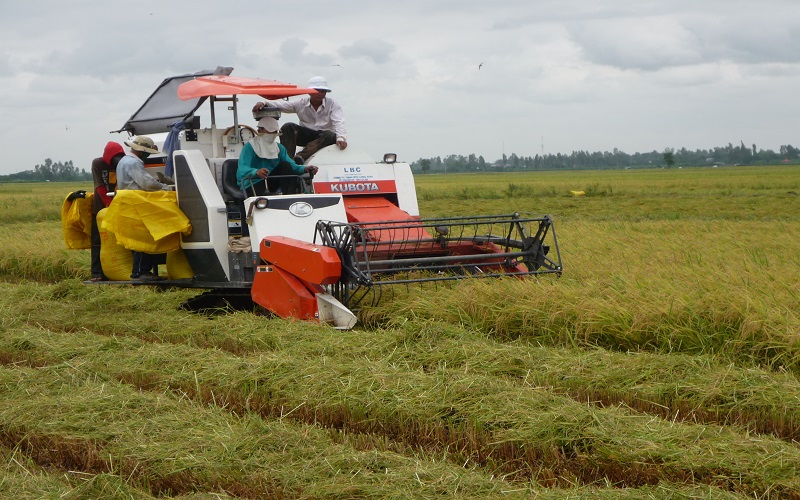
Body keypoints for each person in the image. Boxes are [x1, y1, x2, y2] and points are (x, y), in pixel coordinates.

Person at [252, 76, 347, 164]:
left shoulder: (333, 104)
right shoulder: (301, 103)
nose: (321, 93)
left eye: (323, 91)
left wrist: (341, 138)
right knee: (288, 127)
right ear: (309, 92)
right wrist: (262, 102)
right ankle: (286, 160)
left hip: (324, 138)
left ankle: (300, 157)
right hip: (306, 136)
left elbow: (339, 121)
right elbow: (280, 105)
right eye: (318, 90)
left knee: (330, 135)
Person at [116, 135, 170, 281]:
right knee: (143, 239)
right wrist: (165, 188)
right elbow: (146, 183)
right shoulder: (134, 163)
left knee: (138, 238)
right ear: (142, 151)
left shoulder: (124, 161)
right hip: (136, 204)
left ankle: (140, 271)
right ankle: (141, 272)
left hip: (128, 204)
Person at [237, 116, 319, 196]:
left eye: (274, 132)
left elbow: (291, 165)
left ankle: (290, 198)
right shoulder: (249, 147)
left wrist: (304, 168)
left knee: (285, 165)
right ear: (260, 130)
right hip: (252, 183)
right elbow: (242, 168)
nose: (272, 135)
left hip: (270, 182)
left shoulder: (279, 148)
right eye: (270, 132)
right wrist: (256, 172)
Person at [90, 141, 125, 281]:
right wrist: (108, 205)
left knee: (120, 241)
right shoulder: (98, 163)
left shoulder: (123, 164)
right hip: (100, 210)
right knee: (98, 241)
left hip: (118, 209)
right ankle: (97, 273)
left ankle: (117, 271)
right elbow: (100, 187)